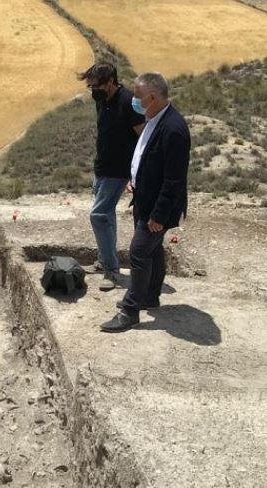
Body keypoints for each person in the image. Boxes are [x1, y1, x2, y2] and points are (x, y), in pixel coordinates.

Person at [101, 72, 191, 333]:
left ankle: (130, 311)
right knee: (152, 250)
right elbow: (148, 158)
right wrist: (135, 180)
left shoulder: (174, 129)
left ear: (152, 97)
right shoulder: (154, 118)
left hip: (158, 208)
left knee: (139, 252)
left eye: (138, 97)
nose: (134, 100)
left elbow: (174, 180)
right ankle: (150, 296)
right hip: (145, 199)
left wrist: (159, 216)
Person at [78, 62, 145, 291]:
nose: (92, 90)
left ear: (110, 82)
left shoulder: (128, 102)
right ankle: (105, 261)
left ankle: (112, 271)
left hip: (119, 170)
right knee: (107, 217)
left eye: (95, 86)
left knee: (98, 215)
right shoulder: (101, 101)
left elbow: (143, 137)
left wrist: (136, 173)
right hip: (102, 167)